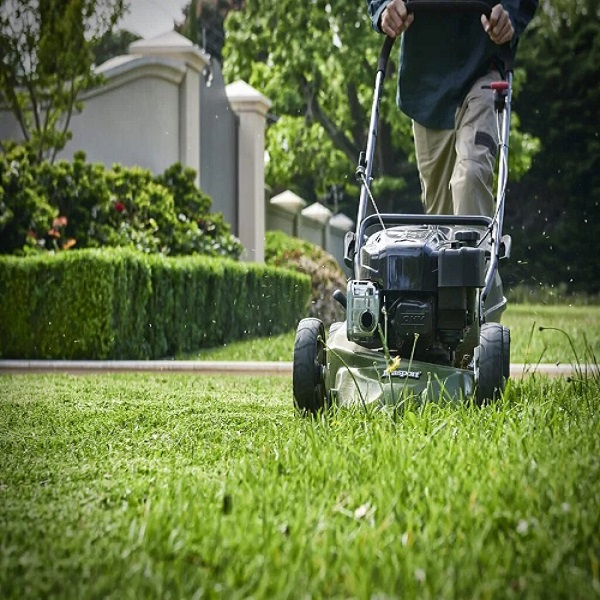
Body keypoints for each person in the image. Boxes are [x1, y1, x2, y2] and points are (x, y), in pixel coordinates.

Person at [366, 0, 538, 217]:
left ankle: (474, 249)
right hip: (427, 83)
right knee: (440, 219)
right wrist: (385, 7)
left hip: (484, 64)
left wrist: (510, 14)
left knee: (471, 175)